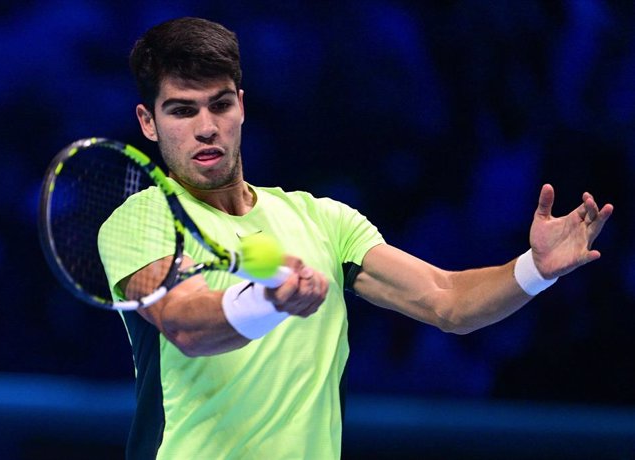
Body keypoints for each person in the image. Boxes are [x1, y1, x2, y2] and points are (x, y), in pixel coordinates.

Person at [99, 17, 614, 459]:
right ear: (148, 122)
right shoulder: (143, 220)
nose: (206, 127)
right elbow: (185, 324)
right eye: (182, 110)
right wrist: (266, 303)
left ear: (241, 105)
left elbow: (449, 301)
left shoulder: (323, 220)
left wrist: (535, 270)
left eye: (219, 105)